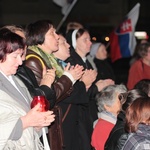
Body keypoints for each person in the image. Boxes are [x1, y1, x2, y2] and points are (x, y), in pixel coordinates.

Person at [25, 20, 84, 150]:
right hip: (47, 124)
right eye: (52, 33)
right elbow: (46, 96)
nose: (57, 36)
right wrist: (69, 77)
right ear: (39, 37)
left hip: (59, 122)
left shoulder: (49, 59)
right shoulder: (33, 60)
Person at [0, 28, 55, 149]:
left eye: (21, 55)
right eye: (15, 56)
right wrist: (26, 121)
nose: (20, 62)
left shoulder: (16, 80)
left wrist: (38, 124)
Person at [53, 33, 96, 150]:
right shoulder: (52, 67)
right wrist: (84, 84)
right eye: (63, 43)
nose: (68, 46)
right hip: (65, 124)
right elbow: (64, 94)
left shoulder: (66, 64)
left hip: (77, 122)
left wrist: (86, 84)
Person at [91, 84, 127, 150]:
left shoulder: (117, 121)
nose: (125, 103)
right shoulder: (103, 128)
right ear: (107, 106)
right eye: (120, 100)